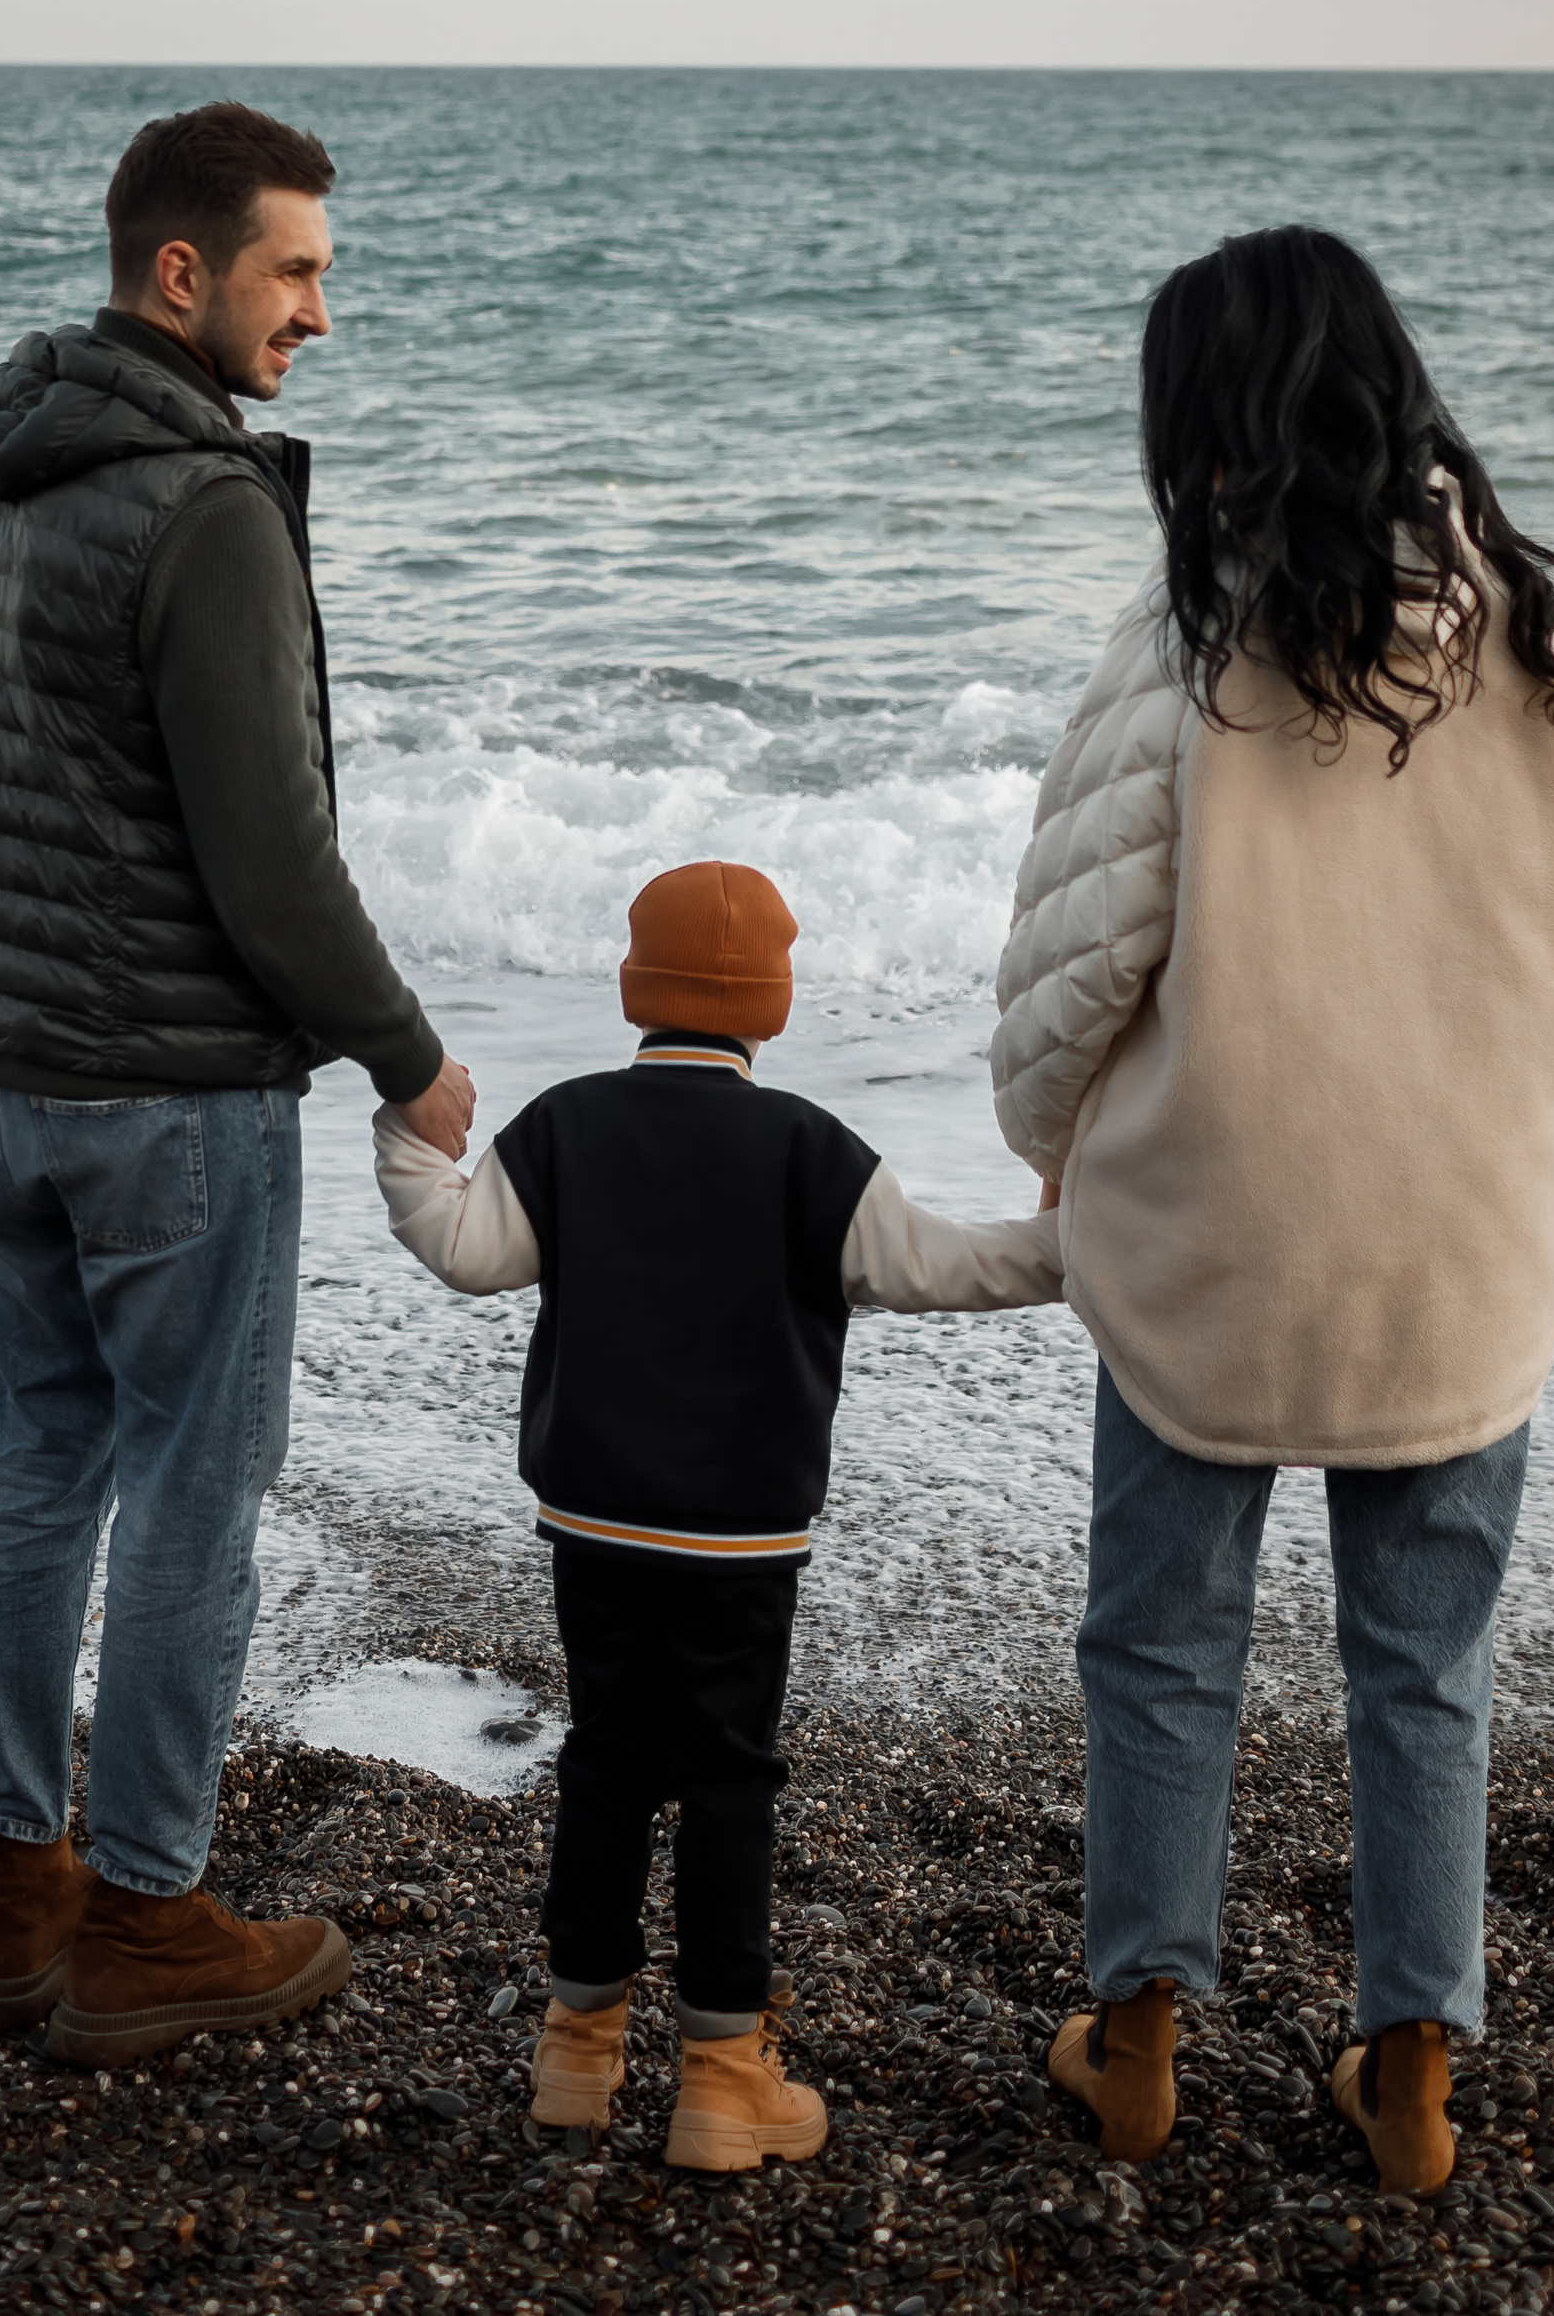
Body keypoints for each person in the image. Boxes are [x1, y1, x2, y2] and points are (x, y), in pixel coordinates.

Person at [990, 227, 1554, 2198]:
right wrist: (1544, 1135)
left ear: (1198, 422)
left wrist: (1047, 1146)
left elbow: (1073, 963)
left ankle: (1137, 2039)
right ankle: (1410, 2073)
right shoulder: (1538, 654)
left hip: (1214, 1242)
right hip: (1456, 1249)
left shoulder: (1182, 648)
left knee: (1160, 1653)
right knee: (1422, 1668)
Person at [0, 98, 476, 2069]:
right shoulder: (198, 510)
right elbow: (271, 863)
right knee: (195, 1496)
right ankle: (142, 1909)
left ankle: (8, 1899)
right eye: (294, 270)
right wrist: (407, 1053)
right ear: (180, 274)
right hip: (166, 1091)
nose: (319, 311)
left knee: (34, 1464)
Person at [378, 858, 1064, 2172]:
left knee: (608, 1763)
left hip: (595, 1521)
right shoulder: (812, 1150)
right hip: (742, 1536)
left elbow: (466, 1253)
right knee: (729, 1780)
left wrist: (408, 1138)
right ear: (774, 1007)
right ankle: (720, 2075)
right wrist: (1069, 1239)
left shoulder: (569, 1126)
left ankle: (576, 2053)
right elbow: (938, 1269)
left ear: (638, 988)